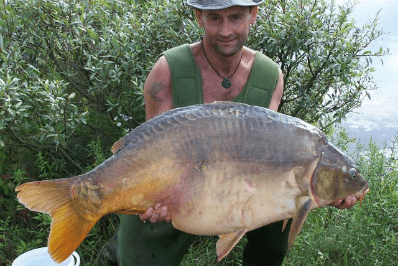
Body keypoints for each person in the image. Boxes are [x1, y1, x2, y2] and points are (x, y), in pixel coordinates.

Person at [98, 1, 359, 265]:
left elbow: (268, 153)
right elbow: (148, 151)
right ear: (199, 17)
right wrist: (151, 199)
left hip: (234, 188)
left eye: (235, 17)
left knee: (280, 217)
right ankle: (111, 243)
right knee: (133, 252)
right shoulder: (166, 71)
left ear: (252, 15)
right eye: (214, 19)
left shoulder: (270, 76)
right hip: (175, 190)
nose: (225, 31)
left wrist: (329, 187)